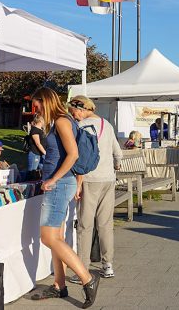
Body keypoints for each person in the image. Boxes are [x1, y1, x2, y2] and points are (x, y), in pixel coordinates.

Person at [29, 87, 99, 307]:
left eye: (36, 103)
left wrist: (53, 179)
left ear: (45, 100)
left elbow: (73, 154)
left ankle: (88, 279)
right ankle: (59, 285)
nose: (35, 108)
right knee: (56, 238)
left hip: (59, 185)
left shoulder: (61, 120)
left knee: (48, 238)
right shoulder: (57, 120)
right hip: (60, 183)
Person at [67, 95, 122, 283]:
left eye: (72, 111)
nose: (72, 115)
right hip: (108, 179)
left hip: (89, 180)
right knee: (106, 224)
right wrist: (115, 165)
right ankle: (108, 265)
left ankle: (83, 267)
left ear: (80, 108)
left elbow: (77, 157)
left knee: (85, 225)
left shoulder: (81, 127)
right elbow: (118, 153)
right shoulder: (107, 124)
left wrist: (78, 183)